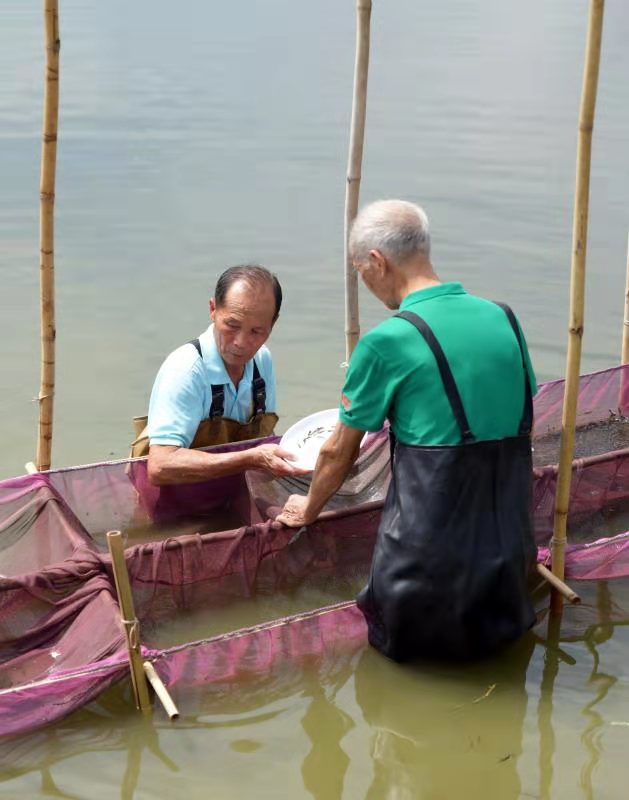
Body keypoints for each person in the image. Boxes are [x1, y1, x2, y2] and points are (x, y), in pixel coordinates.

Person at [276, 200, 538, 661]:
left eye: (361, 272)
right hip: (510, 570)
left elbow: (340, 453)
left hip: (425, 584)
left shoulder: (387, 342)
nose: (367, 283)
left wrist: (309, 508)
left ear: (377, 261)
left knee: (404, 701)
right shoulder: (506, 319)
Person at [132, 264, 306, 485]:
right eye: (232, 325)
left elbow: (265, 441)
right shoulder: (186, 369)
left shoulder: (262, 361)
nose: (241, 343)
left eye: (256, 331)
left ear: (273, 323)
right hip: (172, 503)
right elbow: (161, 466)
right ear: (213, 309)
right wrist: (249, 459)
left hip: (229, 495)